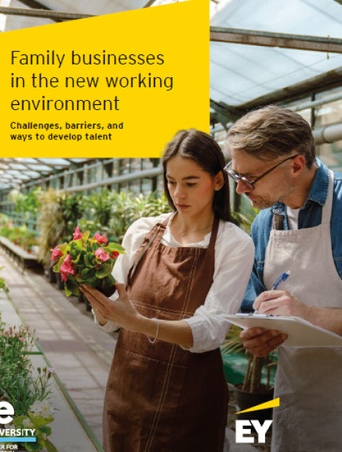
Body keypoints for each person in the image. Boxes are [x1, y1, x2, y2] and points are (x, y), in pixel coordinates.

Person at [81, 128, 254, 452]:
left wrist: (137, 322)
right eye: (171, 182)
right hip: (128, 390)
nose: (178, 194)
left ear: (218, 181)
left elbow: (211, 330)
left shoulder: (235, 244)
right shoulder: (142, 232)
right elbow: (114, 313)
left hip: (190, 401)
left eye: (190, 183)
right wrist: (96, 295)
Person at [224, 105, 342, 452]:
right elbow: (258, 310)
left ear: (295, 164)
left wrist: (308, 314)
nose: (242, 189)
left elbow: (302, 313)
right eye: (236, 175)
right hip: (298, 404)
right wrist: (259, 336)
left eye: (252, 177)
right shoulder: (264, 225)